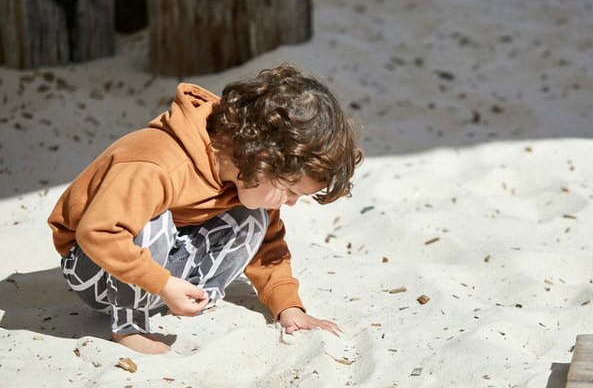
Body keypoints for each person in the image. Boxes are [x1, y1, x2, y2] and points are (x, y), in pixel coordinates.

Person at [47, 64, 363, 354]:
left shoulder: (247, 176)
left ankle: (191, 300)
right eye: (291, 190)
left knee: (254, 218)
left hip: (159, 270)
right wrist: (163, 283)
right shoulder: (159, 162)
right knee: (152, 219)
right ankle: (129, 326)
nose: (291, 202)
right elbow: (99, 232)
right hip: (96, 268)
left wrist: (288, 308)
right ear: (264, 157)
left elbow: (268, 249)